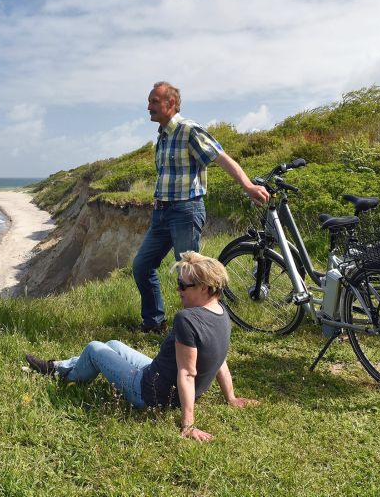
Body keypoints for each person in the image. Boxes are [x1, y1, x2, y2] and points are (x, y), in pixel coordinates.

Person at [25, 251, 258, 442]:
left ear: (205, 288)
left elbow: (187, 374)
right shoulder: (221, 313)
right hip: (159, 377)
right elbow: (220, 359)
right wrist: (231, 397)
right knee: (113, 344)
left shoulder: (187, 319)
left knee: (95, 348)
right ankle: (58, 365)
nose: (178, 290)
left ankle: (63, 375)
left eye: (183, 286)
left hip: (150, 393)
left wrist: (188, 425)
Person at [132, 81, 269, 333]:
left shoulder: (188, 130)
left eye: (154, 101)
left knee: (189, 274)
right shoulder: (162, 136)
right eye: (149, 101)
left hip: (185, 210)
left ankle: (198, 328)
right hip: (162, 212)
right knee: (142, 265)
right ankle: (154, 322)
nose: (148, 106)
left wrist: (248, 186)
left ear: (170, 103)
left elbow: (221, 157)